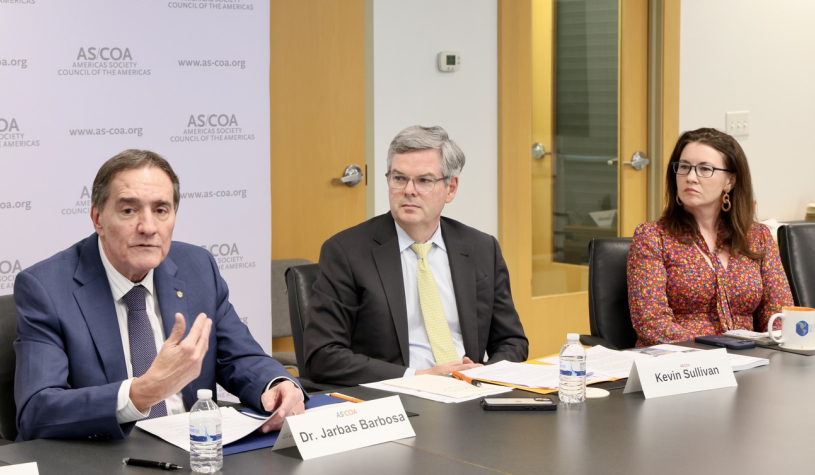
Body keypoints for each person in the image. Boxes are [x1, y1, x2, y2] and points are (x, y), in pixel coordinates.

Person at [13, 150, 305, 441]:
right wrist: (141, 393)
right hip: (106, 456)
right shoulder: (47, 288)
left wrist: (276, 383)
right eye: (128, 210)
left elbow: (239, 358)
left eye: (161, 210)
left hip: (197, 452)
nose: (148, 227)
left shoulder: (197, 268)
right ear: (97, 218)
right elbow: (37, 411)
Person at [303, 125, 528, 386]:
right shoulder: (346, 252)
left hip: (470, 395)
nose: (409, 190)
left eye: (423, 180)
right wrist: (418, 378)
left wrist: (483, 376)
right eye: (399, 178)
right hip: (396, 401)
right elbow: (322, 355)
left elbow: (512, 342)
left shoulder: (481, 248)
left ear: (450, 188)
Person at [627, 128, 793, 347]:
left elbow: (780, 316)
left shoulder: (757, 237)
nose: (691, 177)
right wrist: (716, 355)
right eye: (684, 167)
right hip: (680, 366)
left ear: (730, 181)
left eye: (705, 169)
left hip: (750, 363)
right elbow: (651, 322)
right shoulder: (652, 237)